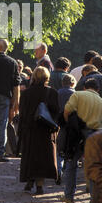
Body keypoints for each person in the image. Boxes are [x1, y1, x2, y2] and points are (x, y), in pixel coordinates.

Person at [61, 78, 102, 203]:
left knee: (71, 165)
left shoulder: (78, 94)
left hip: (76, 134)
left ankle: (69, 196)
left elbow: (67, 111)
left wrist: (69, 124)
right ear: (98, 89)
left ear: (85, 87)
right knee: (92, 168)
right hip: (95, 135)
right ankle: (93, 200)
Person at [18, 66, 59, 194]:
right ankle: (40, 185)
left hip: (30, 129)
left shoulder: (26, 93)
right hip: (45, 130)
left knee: (30, 156)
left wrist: (20, 131)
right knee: (43, 158)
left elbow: (23, 113)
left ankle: (30, 181)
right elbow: (56, 113)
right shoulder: (52, 92)